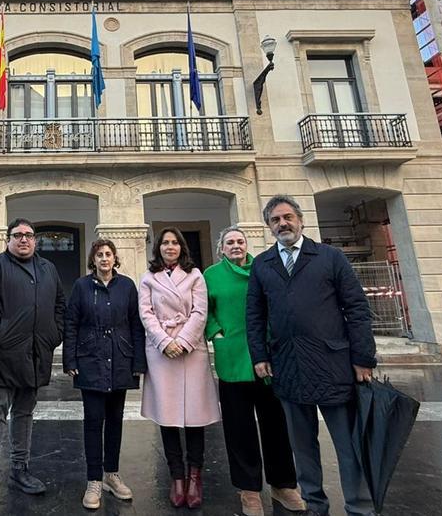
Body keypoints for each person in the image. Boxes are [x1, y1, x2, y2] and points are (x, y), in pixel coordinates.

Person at [246, 195, 377, 516]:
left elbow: (357, 308)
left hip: (333, 364)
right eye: (276, 220)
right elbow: (255, 314)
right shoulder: (263, 264)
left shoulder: (329, 257)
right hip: (287, 365)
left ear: (300, 220)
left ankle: (359, 507)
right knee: (303, 448)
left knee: (348, 446)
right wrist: (259, 355)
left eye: (288, 217)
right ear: (269, 227)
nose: (283, 224)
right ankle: (316, 506)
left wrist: (363, 357)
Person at [204, 226, 305, 516]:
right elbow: (205, 310)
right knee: (239, 428)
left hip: (267, 358)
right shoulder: (211, 275)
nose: (235, 246)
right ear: (221, 248)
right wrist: (216, 333)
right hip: (233, 357)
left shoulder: (263, 269)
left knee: (276, 424)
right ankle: (248, 490)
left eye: (240, 241)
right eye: (229, 242)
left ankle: (283, 484)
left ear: (247, 245)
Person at [0, 218, 66, 516]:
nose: (24, 240)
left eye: (28, 235)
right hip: (3, 353)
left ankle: (19, 468)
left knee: (25, 412)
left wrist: (55, 334)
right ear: (8, 239)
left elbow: (59, 305)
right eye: (18, 235)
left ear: (35, 241)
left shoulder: (47, 268)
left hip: (37, 353)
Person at [139, 227, 221, 509]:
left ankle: (194, 475)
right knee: (169, 416)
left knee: (195, 416)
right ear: (158, 248)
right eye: (165, 243)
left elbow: (201, 311)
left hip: (190, 350)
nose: (170, 247)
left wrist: (184, 340)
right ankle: (176, 476)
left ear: (181, 247)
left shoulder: (196, 275)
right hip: (162, 352)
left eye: (174, 243)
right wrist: (164, 341)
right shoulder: (149, 277)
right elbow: (146, 313)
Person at [63, 239, 146, 510]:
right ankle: (93, 480)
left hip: (120, 359)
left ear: (115, 258)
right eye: (99, 255)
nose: (104, 259)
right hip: (91, 360)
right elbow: (71, 323)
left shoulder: (127, 286)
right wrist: (70, 358)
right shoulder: (81, 286)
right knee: (93, 420)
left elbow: (136, 324)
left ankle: (111, 474)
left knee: (115, 420)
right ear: (93, 260)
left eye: (108, 254)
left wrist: (138, 361)